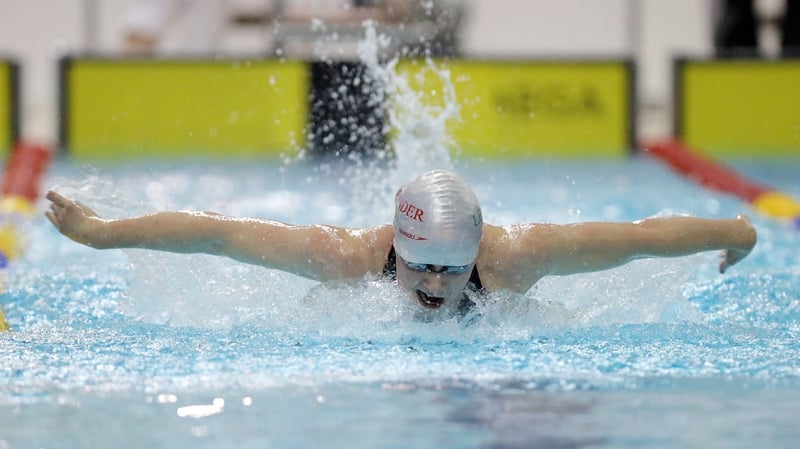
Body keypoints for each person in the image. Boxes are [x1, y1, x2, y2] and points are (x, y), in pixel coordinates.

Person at [45, 170, 757, 318]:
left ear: (479, 252)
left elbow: (639, 239)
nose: (436, 286)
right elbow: (217, 233)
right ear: (399, 248)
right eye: (423, 267)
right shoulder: (347, 257)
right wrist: (102, 234)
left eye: (455, 269)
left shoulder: (516, 256)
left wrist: (736, 231)